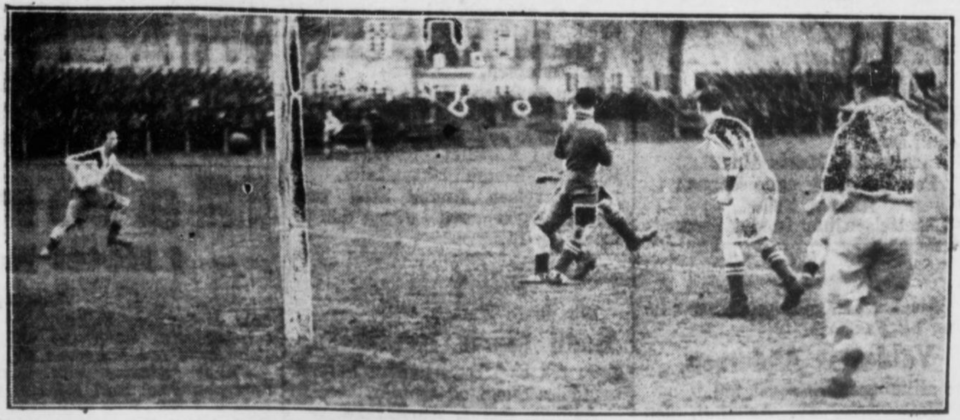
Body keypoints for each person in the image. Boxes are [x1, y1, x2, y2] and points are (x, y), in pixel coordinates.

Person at [805, 61, 948, 398]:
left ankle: (848, 353)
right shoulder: (916, 123)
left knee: (842, 293)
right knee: (876, 297)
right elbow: (945, 159)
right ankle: (860, 343)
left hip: (860, 214)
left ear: (861, 89)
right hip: (903, 220)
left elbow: (833, 179)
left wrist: (830, 201)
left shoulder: (855, 120)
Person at [526, 87, 656, 284]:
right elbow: (606, 161)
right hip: (586, 187)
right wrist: (604, 150)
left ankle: (629, 240)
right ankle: (564, 267)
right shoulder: (598, 130)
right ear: (595, 105)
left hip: (568, 185)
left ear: (575, 103)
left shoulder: (567, 125)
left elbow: (559, 154)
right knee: (581, 228)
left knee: (549, 224)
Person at [695, 86, 805, 318]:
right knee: (757, 237)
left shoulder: (713, 130)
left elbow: (734, 160)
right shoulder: (738, 123)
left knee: (730, 241)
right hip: (766, 181)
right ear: (720, 104)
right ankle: (791, 282)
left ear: (699, 107)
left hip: (746, 186)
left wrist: (727, 190)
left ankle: (738, 302)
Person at [39, 130, 146, 257]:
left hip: (93, 193)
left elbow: (119, 167)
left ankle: (47, 249)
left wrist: (135, 176)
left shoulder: (111, 157)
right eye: (111, 139)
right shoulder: (95, 154)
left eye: (116, 139)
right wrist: (77, 178)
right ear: (104, 141)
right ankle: (112, 238)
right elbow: (69, 160)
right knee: (70, 222)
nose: (114, 142)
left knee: (71, 221)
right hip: (86, 193)